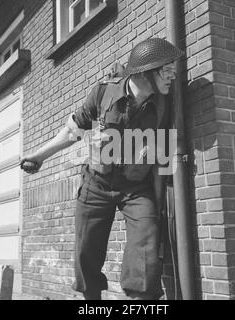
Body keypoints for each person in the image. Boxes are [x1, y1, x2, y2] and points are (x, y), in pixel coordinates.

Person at [21, 38, 184, 300]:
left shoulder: (164, 104)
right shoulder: (103, 92)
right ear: (145, 72)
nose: (172, 76)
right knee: (86, 252)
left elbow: (162, 159)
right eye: (166, 71)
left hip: (135, 188)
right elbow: (73, 130)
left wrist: (156, 203)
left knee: (147, 240)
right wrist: (39, 156)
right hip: (96, 183)